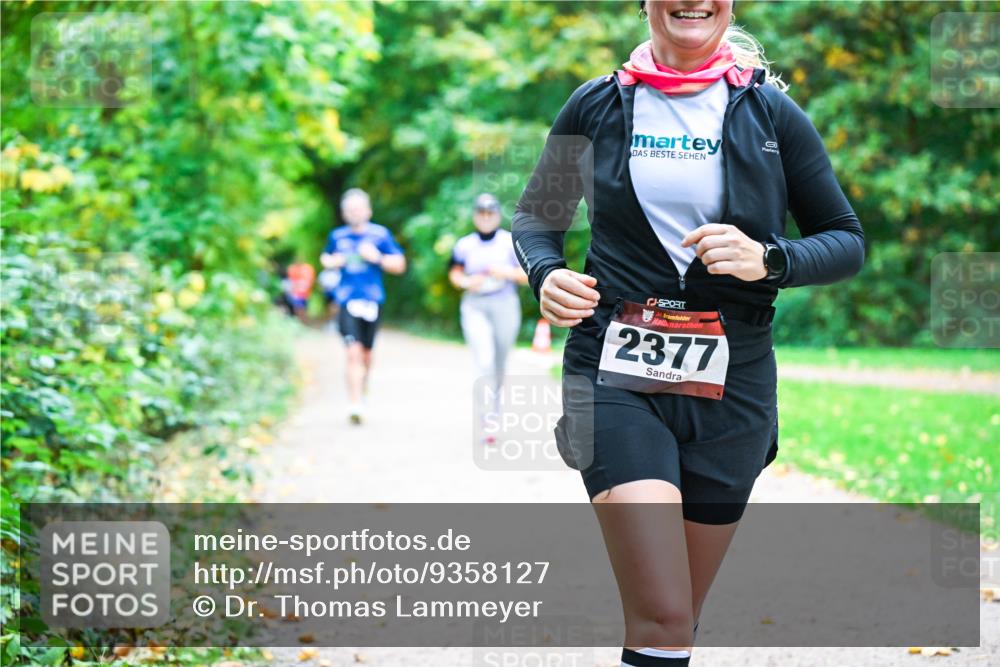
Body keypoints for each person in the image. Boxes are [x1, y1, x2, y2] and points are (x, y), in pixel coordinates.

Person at [511, 2, 865, 665]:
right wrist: (545, 272)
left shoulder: (772, 114)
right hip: (614, 371)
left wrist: (772, 259)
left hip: (735, 386)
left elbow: (846, 240)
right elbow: (537, 217)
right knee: (665, 612)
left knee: (676, 622)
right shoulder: (596, 105)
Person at [448, 193, 529, 444]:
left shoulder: (509, 242)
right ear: (475, 216)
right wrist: (466, 282)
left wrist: (506, 272)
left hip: (504, 303)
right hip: (475, 305)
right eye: (481, 213)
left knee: (499, 363)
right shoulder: (464, 245)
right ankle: (487, 418)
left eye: (490, 213)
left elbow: (529, 276)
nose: (485, 217)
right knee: (483, 360)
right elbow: (454, 272)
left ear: (496, 215)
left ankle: (495, 410)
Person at [320, 188, 406, 425]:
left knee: (367, 355)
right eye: (349, 209)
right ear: (344, 213)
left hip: (372, 300)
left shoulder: (380, 235)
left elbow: (399, 264)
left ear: (367, 210)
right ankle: (355, 403)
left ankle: (363, 386)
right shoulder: (337, 237)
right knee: (352, 352)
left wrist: (377, 257)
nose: (354, 213)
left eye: (358, 208)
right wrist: (332, 262)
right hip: (346, 300)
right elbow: (325, 259)